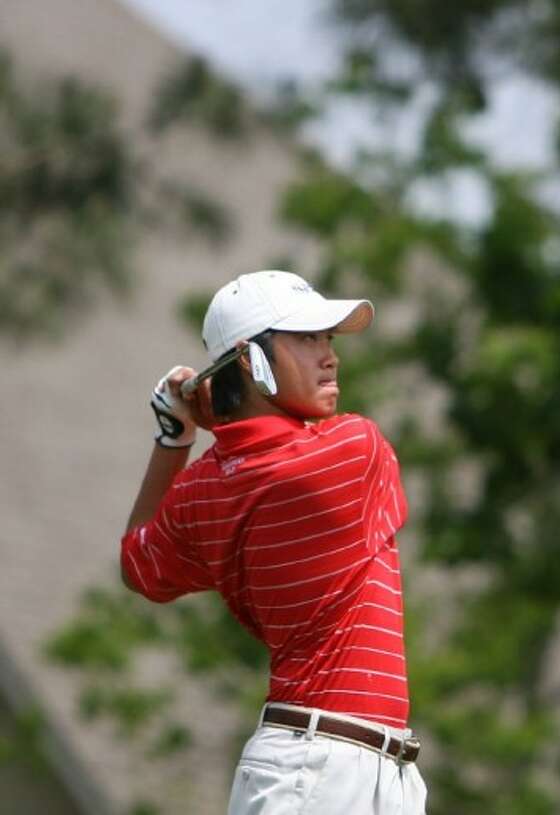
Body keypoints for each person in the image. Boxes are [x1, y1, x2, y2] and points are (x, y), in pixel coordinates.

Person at [120, 270, 427, 815]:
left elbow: (137, 563)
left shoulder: (200, 489)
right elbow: (276, 460)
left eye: (328, 340)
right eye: (306, 339)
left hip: (343, 767)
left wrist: (176, 438)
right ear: (248, 359)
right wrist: (221, 424)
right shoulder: (353, 450)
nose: (329, 357)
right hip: (322, 771)